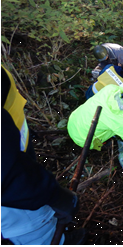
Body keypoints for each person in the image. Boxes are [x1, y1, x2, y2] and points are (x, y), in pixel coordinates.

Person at [1, 65, 85, 245]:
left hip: (17, 170)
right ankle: (57, 241)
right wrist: (54, 196)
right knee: (33, 227)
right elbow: (5, 172)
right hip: (13, 194)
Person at [68, 85, 123, 151]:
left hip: (73, 121)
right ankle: (102, 145)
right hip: (84, 140)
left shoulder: (109, 89)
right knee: (114, 129)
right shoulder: (122, 121)